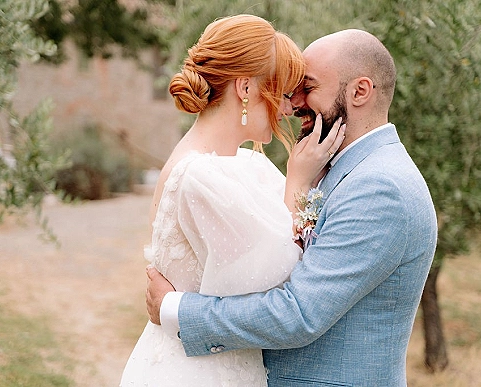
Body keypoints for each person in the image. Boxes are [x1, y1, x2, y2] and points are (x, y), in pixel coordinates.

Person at [146, 29, 438, 386]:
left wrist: (174, 308)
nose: (293, 102)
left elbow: (298, 313)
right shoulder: (338, 169)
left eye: (308, 87)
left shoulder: (380, 187)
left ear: (359, 92)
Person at [119, 15, 345, 386]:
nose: (290, 108)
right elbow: (279, 276)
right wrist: (300, 180)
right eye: (284, 92)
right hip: (195, 373)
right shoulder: (199, 177)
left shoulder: (248, 164)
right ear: (245, 88)